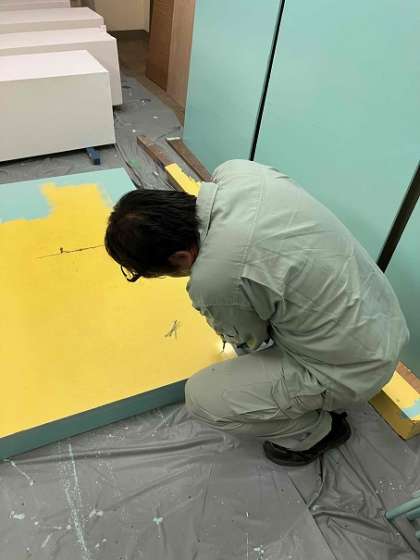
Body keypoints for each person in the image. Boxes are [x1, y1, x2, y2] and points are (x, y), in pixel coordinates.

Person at [104, 160, 408, 467]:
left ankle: (319, 432)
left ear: (181, 257)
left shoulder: (215, 280)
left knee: (203, 399)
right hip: (385, 320)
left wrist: (224, 311)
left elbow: (252, 340)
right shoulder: (241, 173)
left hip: (355, 369)